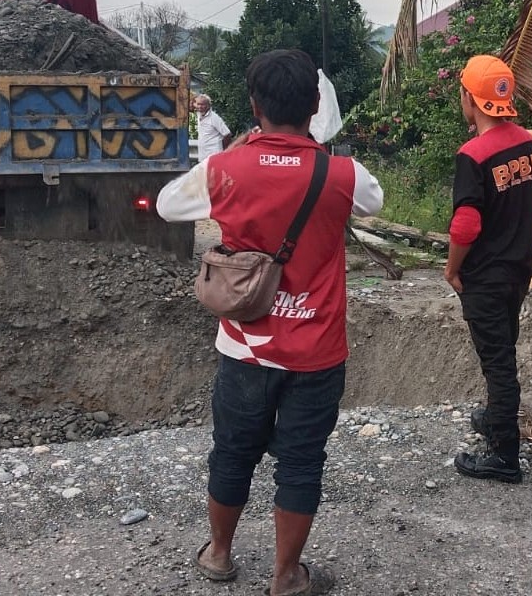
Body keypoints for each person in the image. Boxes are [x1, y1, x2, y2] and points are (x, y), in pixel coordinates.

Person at [157, 49, 383, 596]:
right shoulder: (342, 173)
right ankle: (286, 577)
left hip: (245, 347)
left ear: (254, 106)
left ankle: (219, 554)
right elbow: (374, 202)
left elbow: (167, 205)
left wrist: (240, 157)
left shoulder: (225, 169)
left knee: (233, 451)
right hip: (317, 351)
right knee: (301, 463)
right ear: (315, 106)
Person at [444, 54, 532, 484]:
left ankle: (503, 454)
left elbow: (466, 224)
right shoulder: (526, 143)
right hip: (519, 269)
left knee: (498, 363)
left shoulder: (473, 155)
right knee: (504, 347)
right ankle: (495, 417)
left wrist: (452, 269)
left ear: (470, 98)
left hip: (486, 276)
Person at [194, 94, 231, 161]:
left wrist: (225, 151)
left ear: (208, 105)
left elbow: (227, 134)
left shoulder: (214, 117)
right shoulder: (199, 114)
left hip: (214, 155)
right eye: (198, 104)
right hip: (203, 155)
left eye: (202, 104)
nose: (200, 106)